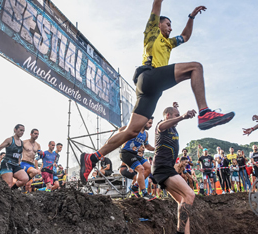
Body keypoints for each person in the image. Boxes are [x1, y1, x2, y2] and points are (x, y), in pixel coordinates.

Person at [79, 0, 235, 185]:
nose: (170, 28)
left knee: (131, 131)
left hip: (151, 90)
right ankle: (204, 112)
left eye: (171, 26)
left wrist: (191, 16)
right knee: (196, 67)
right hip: (150, 76)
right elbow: (156, 4)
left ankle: (93, 158)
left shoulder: (168, 44)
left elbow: (185, 36)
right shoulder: (152, 32)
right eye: (168, 24)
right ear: (158, 24)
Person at [152, 106, 196, 234]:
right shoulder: (161, 126)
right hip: (162, 168)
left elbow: (171, 118)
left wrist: (175, 109)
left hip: (167, 168)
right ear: (168, 116)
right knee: (190, 194)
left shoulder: (173, 127)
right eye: (174, 115)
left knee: (183, 200)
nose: (177, 118)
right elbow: (164, 123)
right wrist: (181, 116)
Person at [119, 118, 155, 200]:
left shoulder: (146, 134)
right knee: (140, 169)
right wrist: (130, 127)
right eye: (149, 123)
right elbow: (120, 130)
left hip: (134, 154)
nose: (151, 125)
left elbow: (147, 146)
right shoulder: (135, 129)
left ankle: (135, 186)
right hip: (125, 153)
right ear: (144, 122)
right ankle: (144, 193)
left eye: (151, 123)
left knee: (148, 168)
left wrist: (156, 149)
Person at [0, 124, 29, 188]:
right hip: (7, 163)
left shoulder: (22, 143)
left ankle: (12, 190)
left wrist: (19, 163)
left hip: (15, 164)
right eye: (20, 130)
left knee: (25, 178)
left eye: (23, 131)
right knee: (8, 184)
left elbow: (19, 154)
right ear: (15, 130)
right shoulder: (10, 140)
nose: (22, 132)